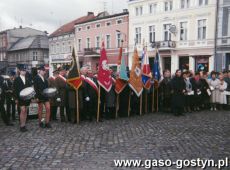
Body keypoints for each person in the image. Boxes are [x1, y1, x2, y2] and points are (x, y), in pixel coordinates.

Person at [13, 64, 32, 132]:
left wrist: (31, 97)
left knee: (26, 111)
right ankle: (22, 125)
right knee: (23, 110)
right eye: (22, 70)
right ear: (20, 71)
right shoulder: (16, 79)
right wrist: (15, 99)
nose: (24, 72)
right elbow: (14, 90)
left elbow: (30, 89)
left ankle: (24, 125)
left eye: (25, 70)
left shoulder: (27, 79)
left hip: (27, 98)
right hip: (20, 98)